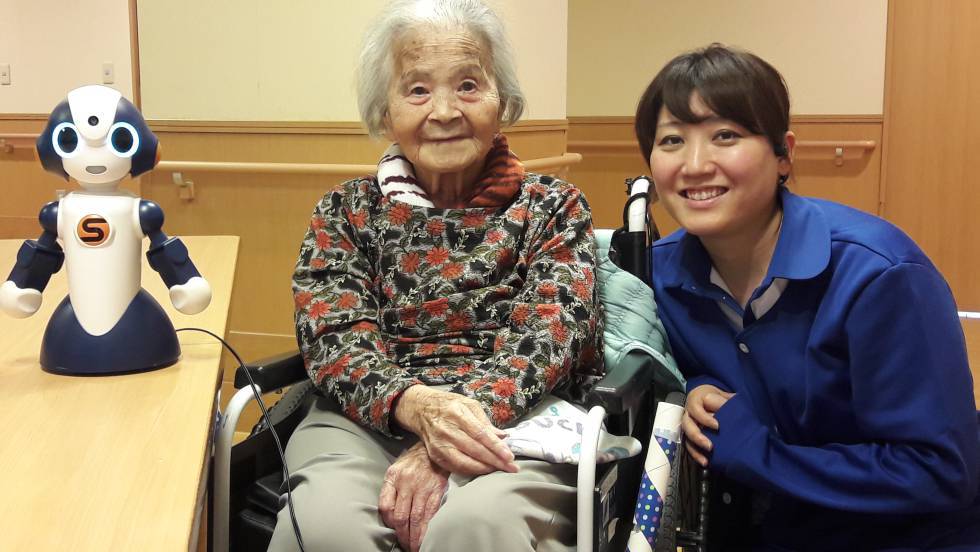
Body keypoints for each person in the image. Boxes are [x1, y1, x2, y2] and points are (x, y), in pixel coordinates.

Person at [267, 1, 603, 551]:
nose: (444, 111)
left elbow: (550, 339)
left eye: (468, 85)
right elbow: (333, 338)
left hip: (513, 419)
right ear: (384, 112)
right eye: (418, 90)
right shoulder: (346, 212)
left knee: (477, 527)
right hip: (365, 420)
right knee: (326, 529)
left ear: (504, 101)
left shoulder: (552, 206)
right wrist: (416, 407)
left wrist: (446, 435)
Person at [638, 44, 980, 550]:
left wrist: (759, 454)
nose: (694, 164)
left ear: (783, 155)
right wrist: (698, 387)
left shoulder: (879, 275)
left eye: (725, 136)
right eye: (671, 140)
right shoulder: (660, 274)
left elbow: (941, 471)